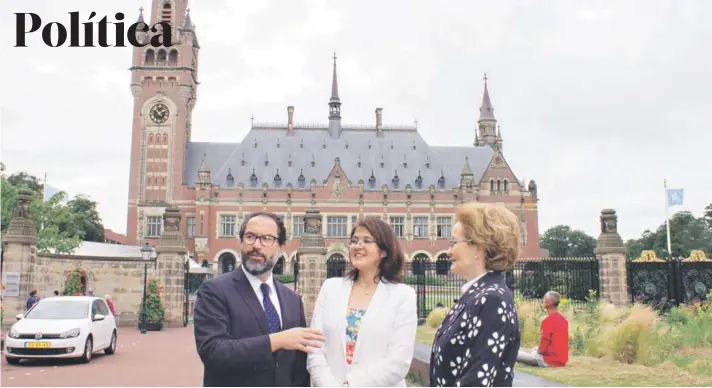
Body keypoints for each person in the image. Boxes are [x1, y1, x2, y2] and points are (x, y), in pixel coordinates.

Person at [193, 212, 323, 387]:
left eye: (266, 239)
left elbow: (298, 367)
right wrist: (276, 341)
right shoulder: (215, 290)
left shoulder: (291, 299)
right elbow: (213, 352)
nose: (256, 245)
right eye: (250, 237)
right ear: (241, 241)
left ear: (281, 246)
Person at [307, 218, 417, 387]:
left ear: (384, 251)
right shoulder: (330, 288)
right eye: (354, 241)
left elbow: (398, 361)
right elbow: (315, 348)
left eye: (367, 241)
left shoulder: (403, 296)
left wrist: (350, 385)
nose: (357, 246)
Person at [429, 203, 521, 387]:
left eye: (454, 242)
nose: (449, 250)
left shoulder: (492, 299)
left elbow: (477, 380)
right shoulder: (478, 294)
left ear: (479, 248)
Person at [517, 291, 569, 368]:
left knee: (516, 354)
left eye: (544, 298)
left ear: (549, 303)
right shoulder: (563, 319)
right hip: (561, 360)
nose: (542, 300)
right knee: (534, 349)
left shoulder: (548, 321)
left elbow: (542, 348)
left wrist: (537, 352)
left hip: (549, 360)